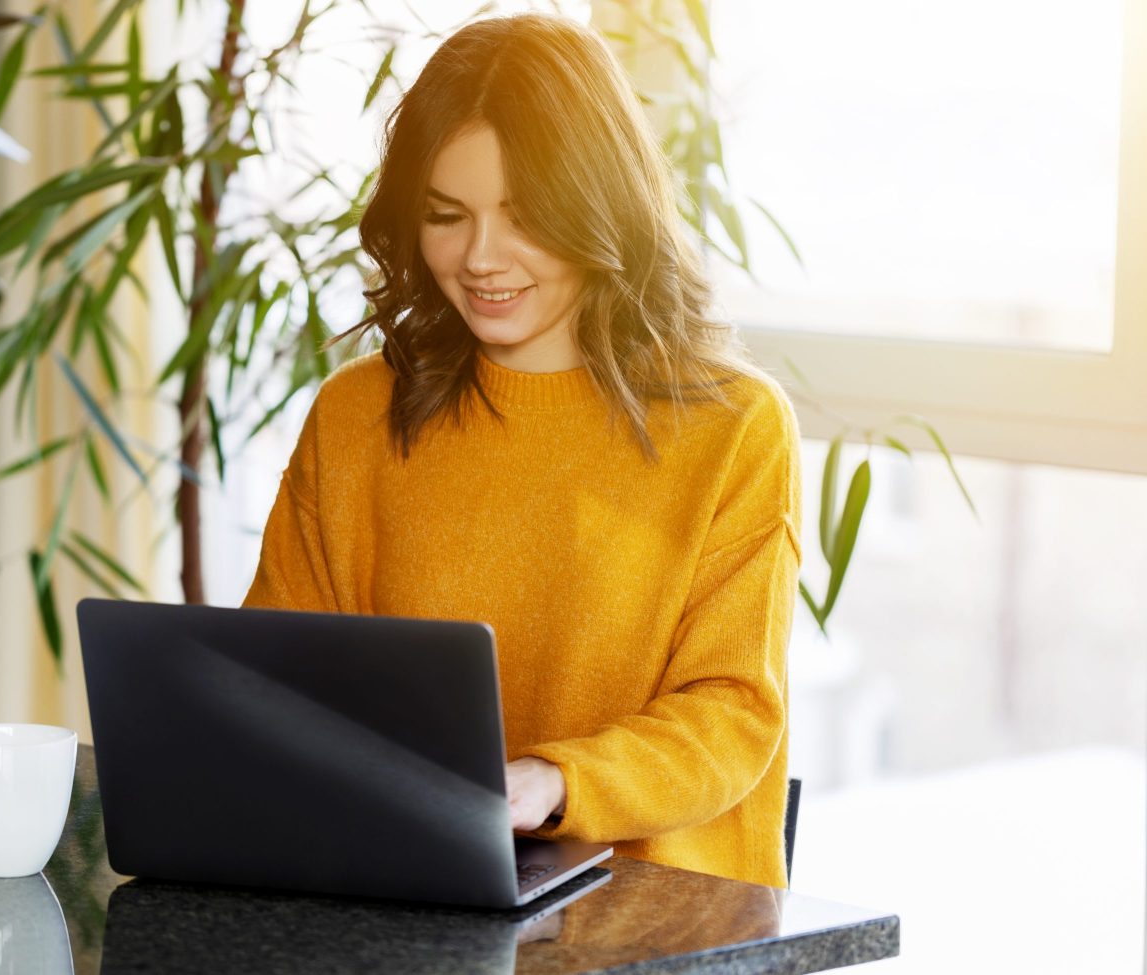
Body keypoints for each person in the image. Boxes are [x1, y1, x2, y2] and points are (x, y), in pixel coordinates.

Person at [243, 12, 802, 889]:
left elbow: (733, 714)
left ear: (600, 206)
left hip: (654, 924)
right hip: (408, 902)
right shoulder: (356, 413)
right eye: (445, 215)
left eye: (525, 215)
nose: (479, 257)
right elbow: (273, 681)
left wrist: (553, 780)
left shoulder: (731, 424)